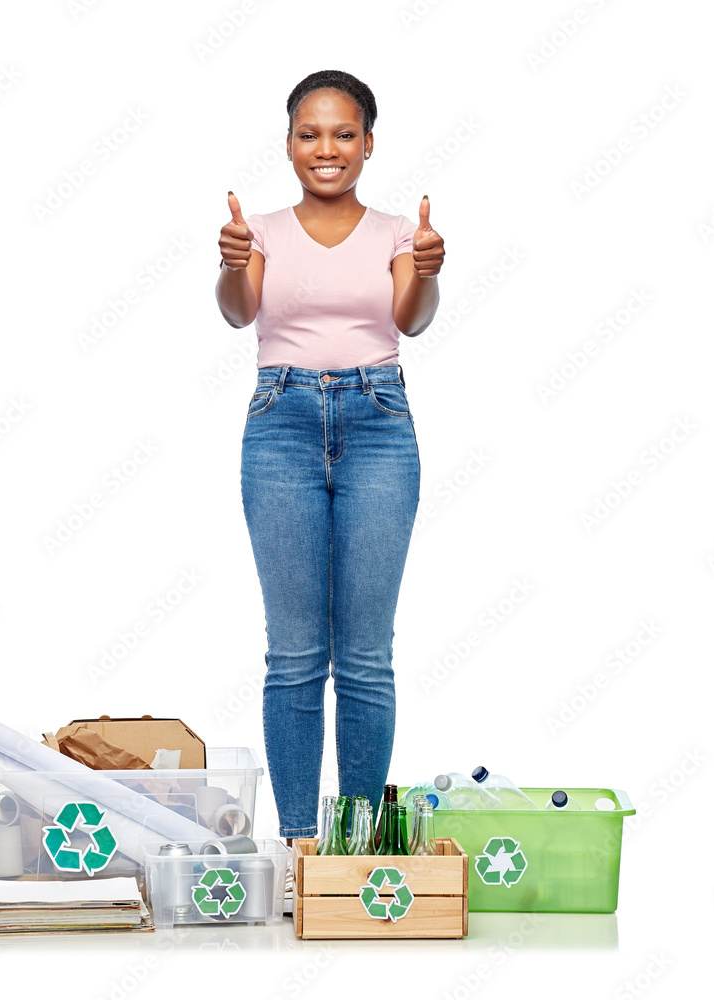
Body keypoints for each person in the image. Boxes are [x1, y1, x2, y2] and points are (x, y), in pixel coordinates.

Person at [215, 69, 444, 846]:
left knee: (366, 654)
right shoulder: (262, 233)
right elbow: (238, 311)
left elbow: (411, 321)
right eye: (309, 133)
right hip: (280, 420)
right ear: (287, 145)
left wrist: (428, 268)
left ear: (368, 144)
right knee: (294, 654)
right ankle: (298, 847)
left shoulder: (395, 235)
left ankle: (356, 846)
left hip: (378, 420)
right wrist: (230, 261)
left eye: (343, 133)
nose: (326, 148)